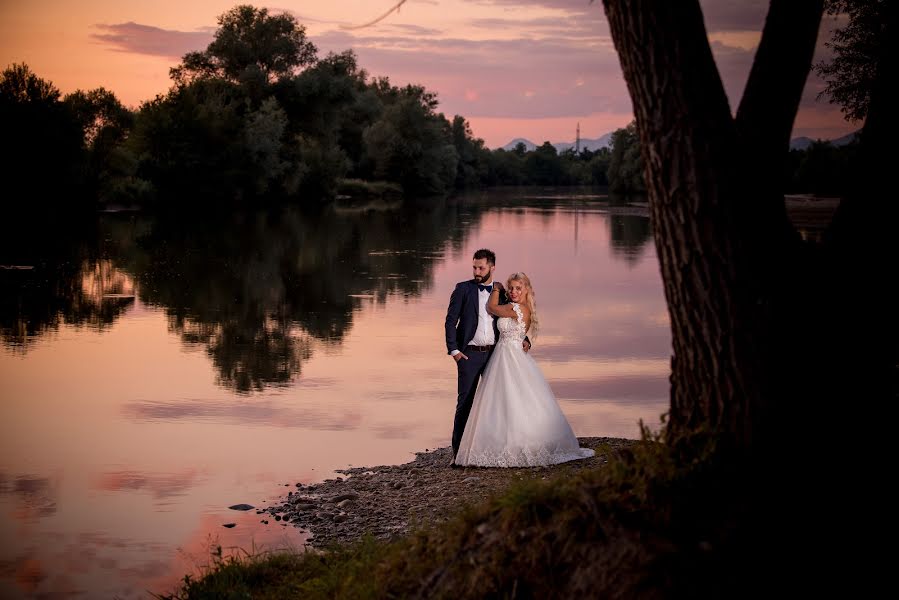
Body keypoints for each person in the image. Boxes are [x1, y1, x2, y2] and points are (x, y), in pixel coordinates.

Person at [454, 272, 595, 467]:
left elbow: (492, 308)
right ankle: (502, 439)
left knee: (512, 399)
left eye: (518, 288)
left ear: (526, 290)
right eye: (510, 288)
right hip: (505, 353)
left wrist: (496, 288)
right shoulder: (522, 308)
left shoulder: (517, 308)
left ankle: (518, 442)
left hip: (509, 356)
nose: (513, 292)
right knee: (505, 401)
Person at [445, 249, 530, 466]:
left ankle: (494, 448)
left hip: (495, 354)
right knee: (464, 403)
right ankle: (458, 455)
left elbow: (513, 318)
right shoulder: (463, 289)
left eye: (481, 267)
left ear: (492, 267)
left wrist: (525, 338)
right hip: (469, 355)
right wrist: (454, 351)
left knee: (497, 402)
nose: (476, 271)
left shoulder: (501, 292)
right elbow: (450, 321)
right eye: (474, 267)